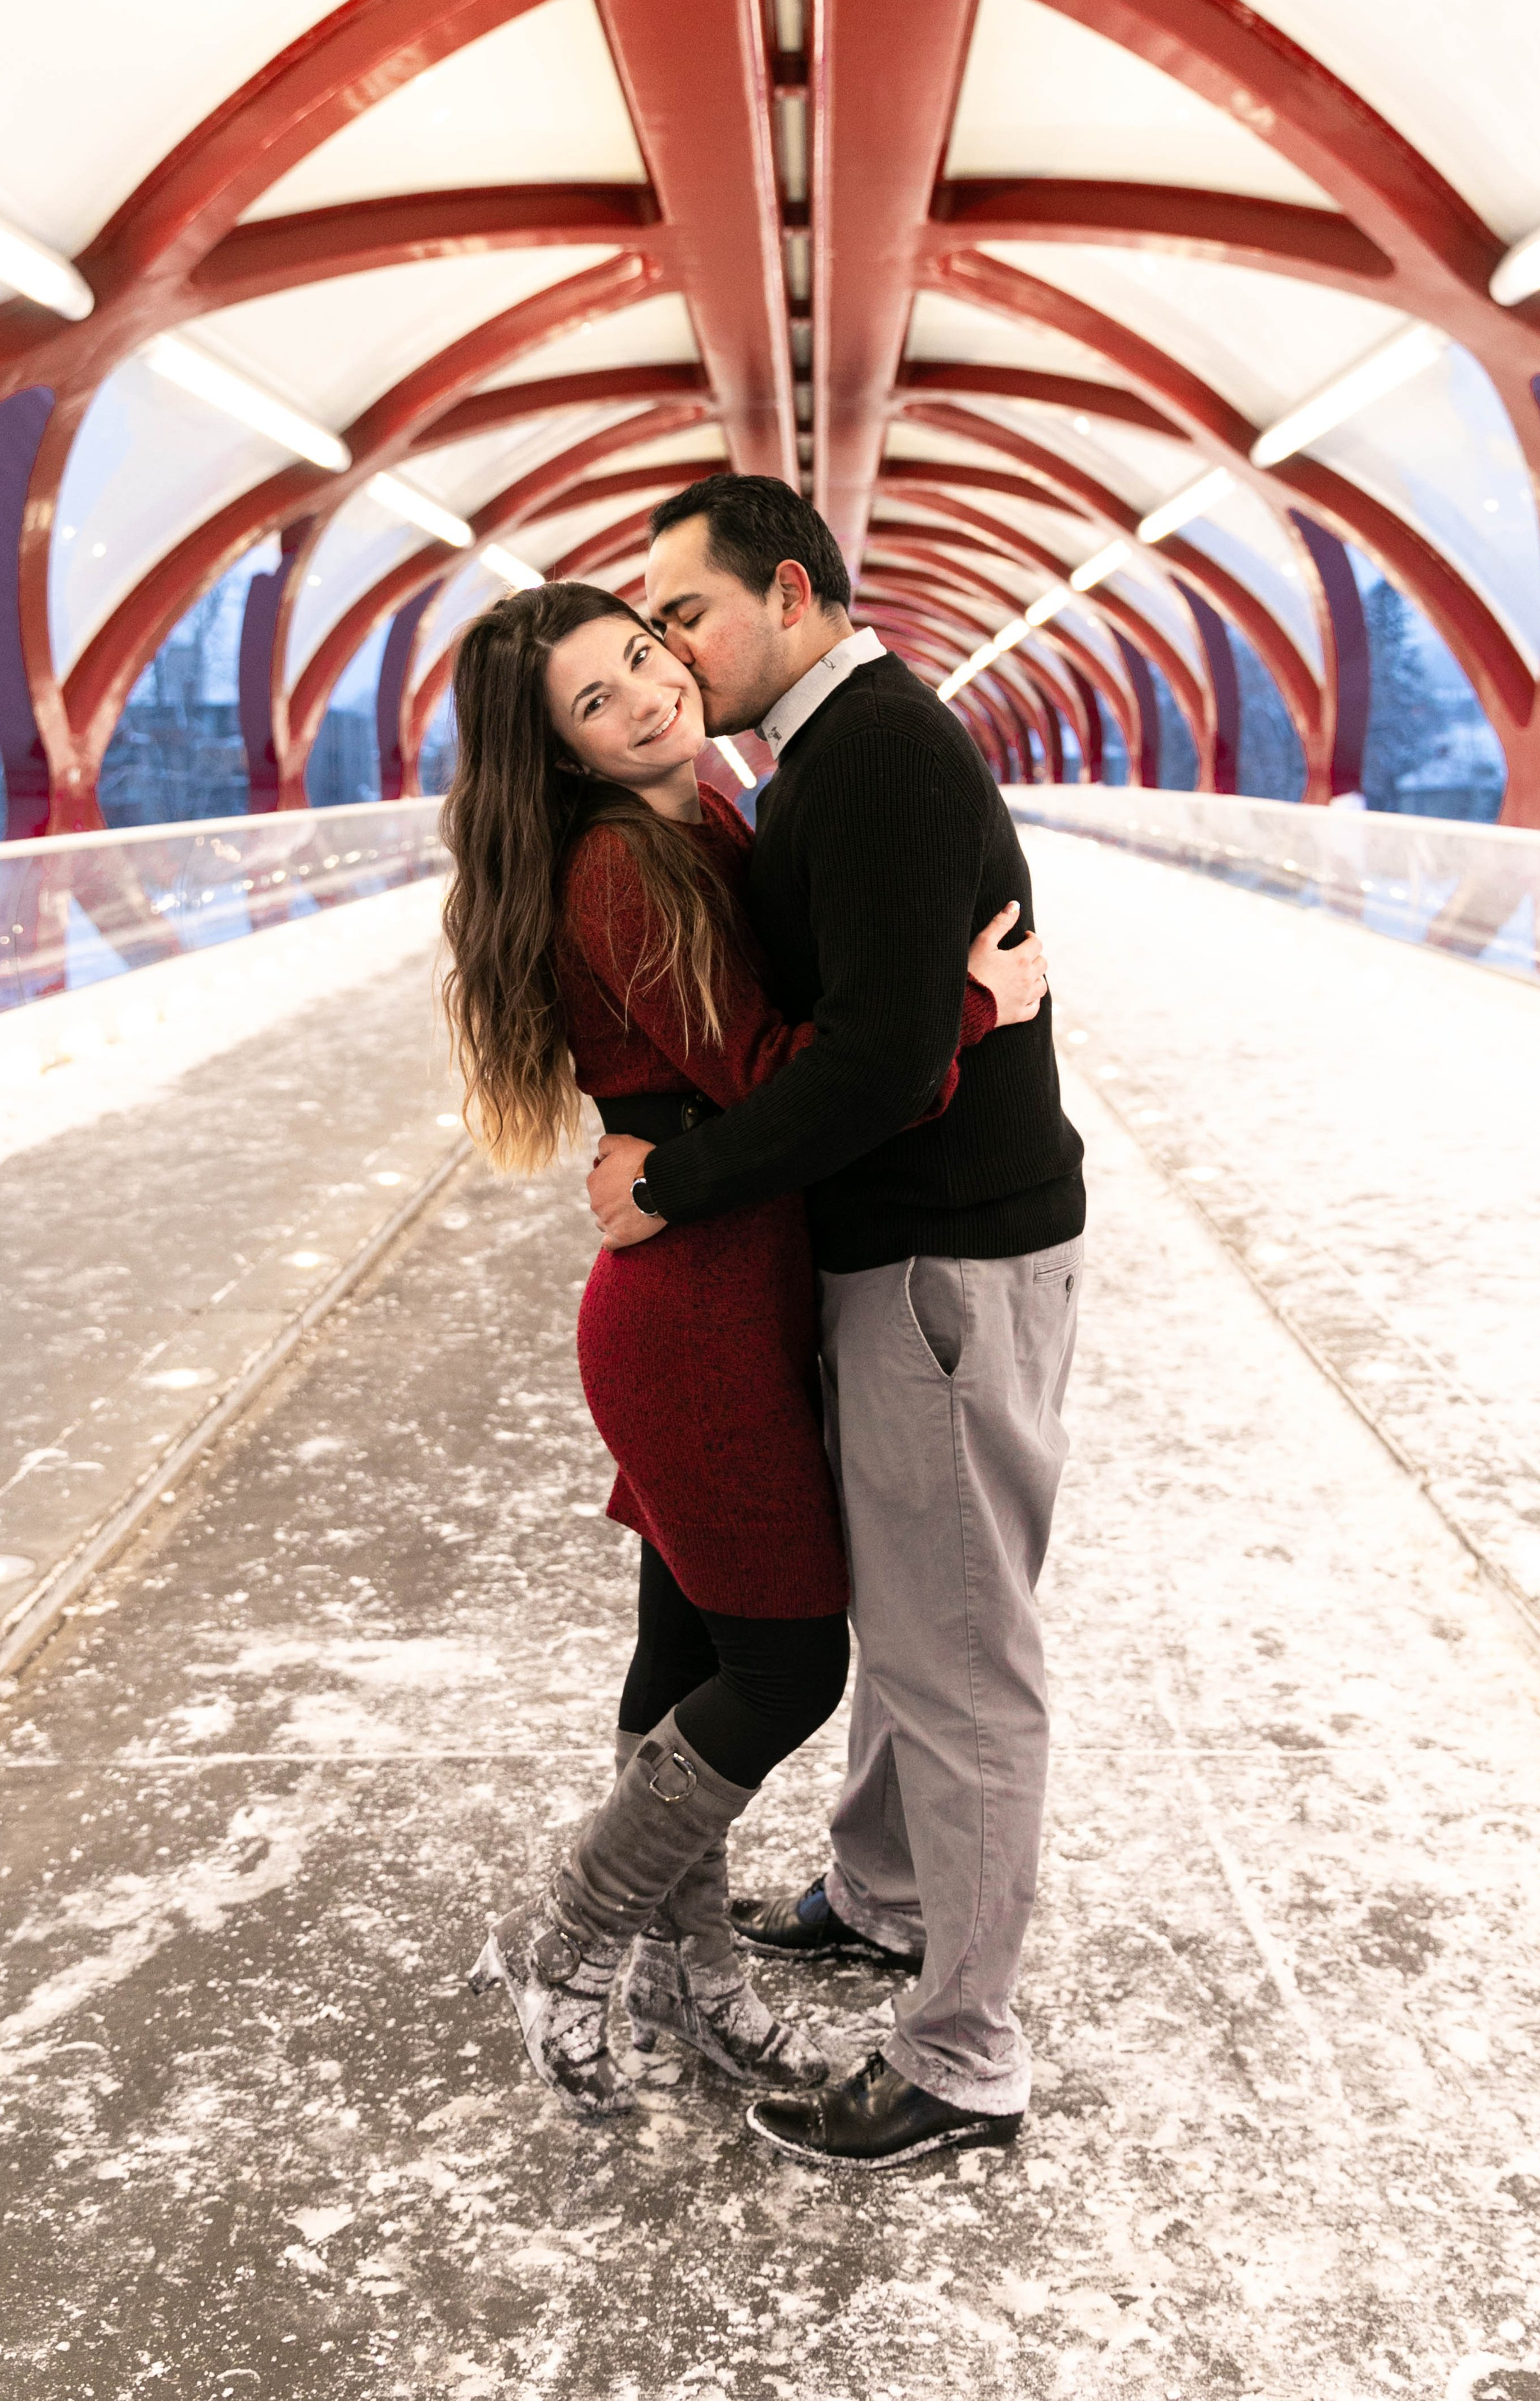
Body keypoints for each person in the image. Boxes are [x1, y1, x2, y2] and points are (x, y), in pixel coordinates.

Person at [438, 580, 1045, 2126]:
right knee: (782, 1661)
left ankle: (690, 1972)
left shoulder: (702, 813)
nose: (642, 696)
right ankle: (578, 1932)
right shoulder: (623, 873)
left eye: (642, 658)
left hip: (730, 1291)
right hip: (696, 1314)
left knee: (690, 1652)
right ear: (560, 756)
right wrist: (964, 1012)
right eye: (594, 701)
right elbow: (790, 1071)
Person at [589, 474, 1086, 2172]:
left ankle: (963, 2061)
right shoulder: (826, 755)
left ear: (788, 594)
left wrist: (681, 1178)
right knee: (910, 1606)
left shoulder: (868, 753)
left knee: (957, 1659)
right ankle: (881, 1900)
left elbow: (875, 1061)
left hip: (945, 1260)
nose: (667, 646)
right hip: (914, 1256)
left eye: (685, 612)